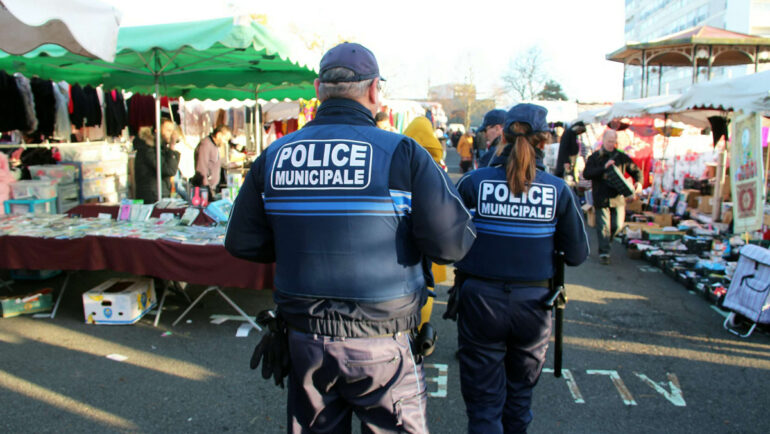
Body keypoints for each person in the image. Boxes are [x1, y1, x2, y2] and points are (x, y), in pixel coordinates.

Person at [224, 42, 476, 433]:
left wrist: (300, 242)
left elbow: (242, 242)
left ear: (317, 89)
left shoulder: (274, 155)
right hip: (382, 343)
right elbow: (451, 245)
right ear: (375, 90)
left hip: (306, 339)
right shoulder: (403, 153)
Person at [452, 103, 589, 433]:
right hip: (535, 304)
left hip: (480, 299)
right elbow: (577, 254)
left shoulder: (473, 182)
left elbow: (446, 241)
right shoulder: (558, 190)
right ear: (544, 141)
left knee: (484, 406)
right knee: (519, 402)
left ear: (503, 135)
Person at [583, 128, 642, 265]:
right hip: (601, 197)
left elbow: (635, 170)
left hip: (618, 197)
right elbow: (587, 174)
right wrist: (604, 168)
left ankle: (606, 242)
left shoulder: (621, 157)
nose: (611, 143)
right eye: (609, 141)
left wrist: (639, 182)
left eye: (613, 141)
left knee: (617, 225)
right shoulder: (595, 157)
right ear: (603, 140)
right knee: (603, 226)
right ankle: (604, 252)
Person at [133, 119, 180, 203]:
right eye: (168, 130)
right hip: (152, 197)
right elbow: (169, 170)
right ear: (157, 130)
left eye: (172, 131)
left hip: (160, 194)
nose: (171, 134)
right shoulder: (148, 149)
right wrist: (172, 147)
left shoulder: (160, 148)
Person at [193, 125, 230, 197]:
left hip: (212, 188)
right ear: (219, 135)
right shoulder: (205, 145)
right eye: (225, 139)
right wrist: (206, 190)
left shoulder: (214, 146)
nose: (225, 143)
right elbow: (201, 168)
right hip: (206, 189)